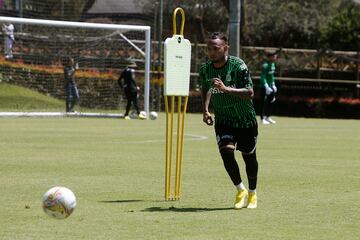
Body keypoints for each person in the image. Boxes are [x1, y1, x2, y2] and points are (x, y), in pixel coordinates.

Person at [199, 32, 259, 209]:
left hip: (245, 119)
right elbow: (206, 88)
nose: (211, 52)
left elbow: (249, 93)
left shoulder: (238, 66)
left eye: (215, 49)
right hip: (224, 119)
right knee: (226, 152)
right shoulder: (205, 69)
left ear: (225, 48)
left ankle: (253, 193)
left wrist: (226, 89)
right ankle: (241, 190)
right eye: (209, 49)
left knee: (249, 157)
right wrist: (205, 109)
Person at [259, 51, 278, 124]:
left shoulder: (272, 64)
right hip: (264, 86)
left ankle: (267, 117)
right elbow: (263, 77)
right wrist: (266, 86)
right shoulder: (265, 65)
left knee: (271, 101)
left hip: (270, 86)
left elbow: (271, 75)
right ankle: (262, 119)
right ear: (269, 57)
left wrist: (273, 84)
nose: (275, 57)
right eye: (273, 56)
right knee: (263, 102)